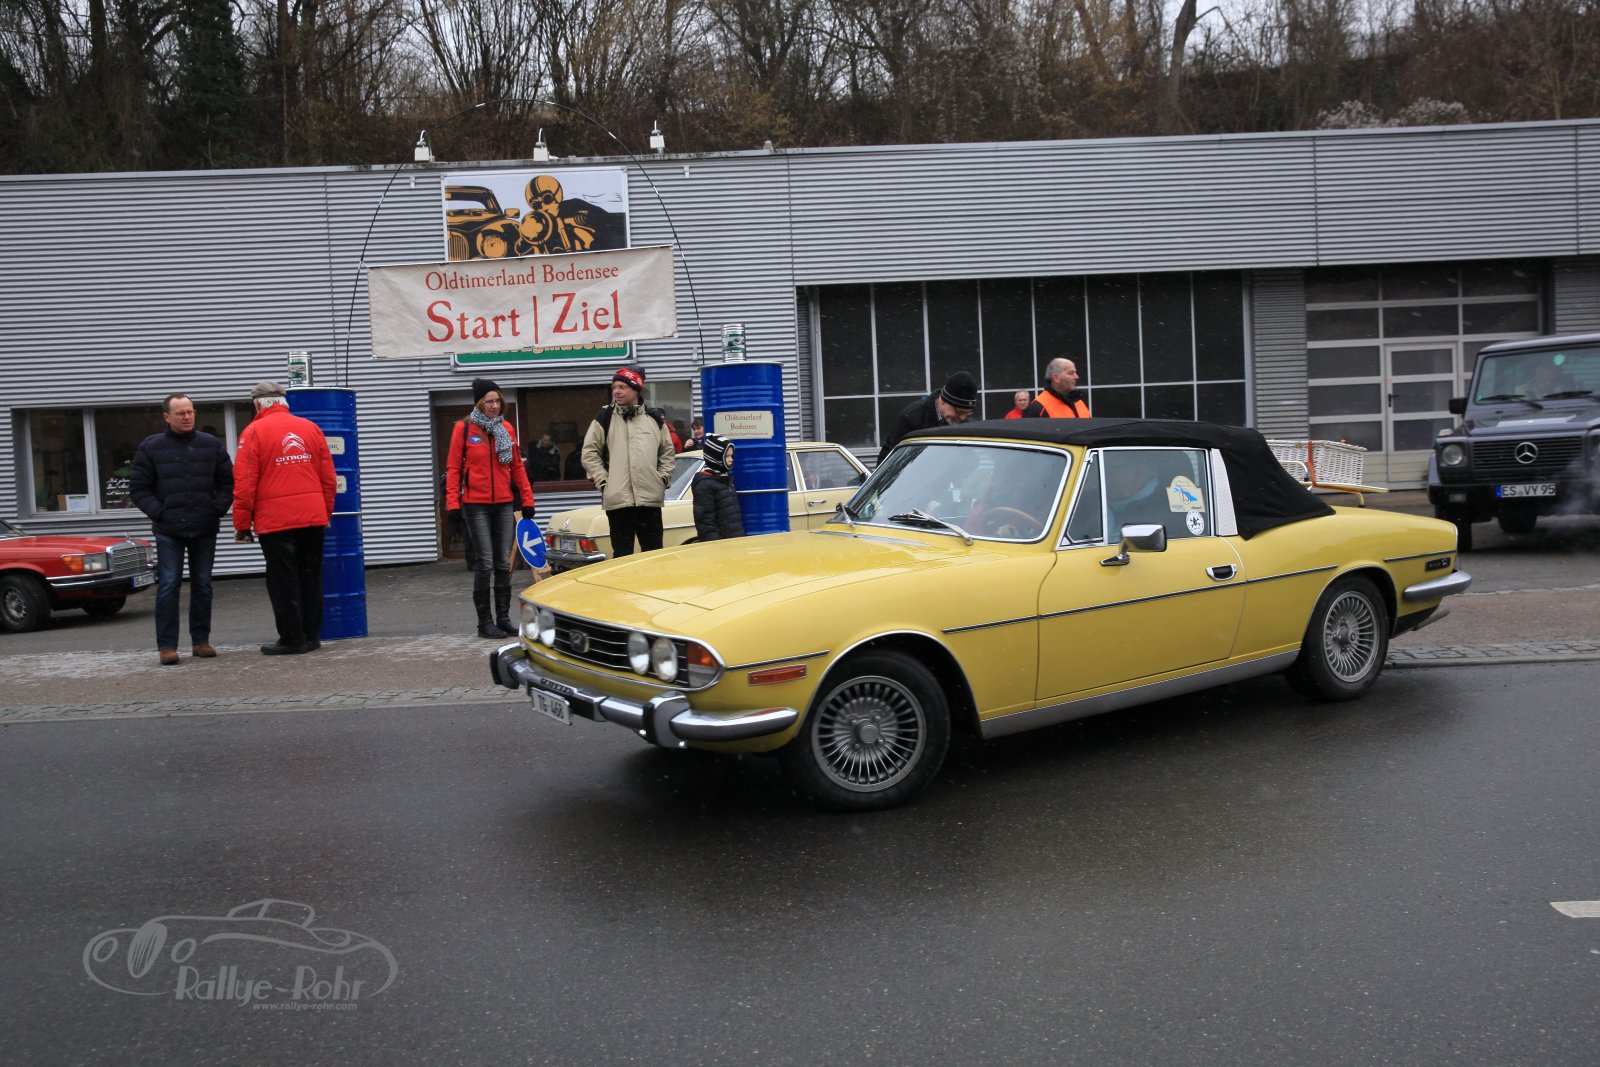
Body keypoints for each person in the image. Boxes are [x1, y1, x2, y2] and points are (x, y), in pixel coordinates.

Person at [128, 393, 234, 666]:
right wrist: (159, 512)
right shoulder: (151, 447)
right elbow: (139, 488)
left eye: (190, 412)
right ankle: (167, 646)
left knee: (203, 585)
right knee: (169, 585)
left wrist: (216, 509)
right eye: (180, 413)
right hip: (168, 529)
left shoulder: (210, 445)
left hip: (204, 526)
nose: (187, 417)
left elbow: (228, 483)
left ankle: (201, 641)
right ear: (167, 417)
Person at [233, 381, 337, 656]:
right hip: (312, 517)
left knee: (283, 581)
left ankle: (292, 639)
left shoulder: (253, 432)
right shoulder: (310, 428)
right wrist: (325, 512)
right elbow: (329, 478)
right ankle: (312, 636)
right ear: (283, 401)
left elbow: (245, 483)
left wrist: (242, 524)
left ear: (258, 404)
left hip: (275, 522)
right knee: (311, 577)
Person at [446, 378, 537, 638]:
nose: (494, 406)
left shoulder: (506, 428)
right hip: (476, 505)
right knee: (485, 563)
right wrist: (452, 503)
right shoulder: (463, 429)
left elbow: (516, 467)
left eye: (497, 401)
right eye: (489, 401)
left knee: (502, 563)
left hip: (503, 504)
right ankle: (484, 623)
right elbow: (453, 468)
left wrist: (527, 499)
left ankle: (503, 619)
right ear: (479, 403)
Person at [581, 365, 676, 558]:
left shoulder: (654, 419)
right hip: (618, 502)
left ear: (636, 389)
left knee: (654, 556)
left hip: (649, 500)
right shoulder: (605, 417)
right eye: (614, 387)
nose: (616, 391)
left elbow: (667, 452)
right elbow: (589, 453)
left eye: (622, 387)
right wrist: (604, 482)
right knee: (622, 557)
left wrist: (662, 479)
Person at [877, 371, 978, 464]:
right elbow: (890, 458)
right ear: (943, 401)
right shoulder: (912, 416)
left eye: (967, 413)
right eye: (958, 412)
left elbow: (969, 459)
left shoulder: (964, 425)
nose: (963, 418)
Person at [692, 434, 744, 541]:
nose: (731, 459)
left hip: (734, 542)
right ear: (715, 457)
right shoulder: (705, 484)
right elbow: (706, 522)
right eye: (727, 456)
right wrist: (715, 545)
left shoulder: (725, 480)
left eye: (732, 456)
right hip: (721, 545)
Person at [1023, 358, 1091, 418]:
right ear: (1056, 378)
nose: (1076, 377)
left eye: (1075, 372)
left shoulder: (1079, 402)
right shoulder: (1038, 408)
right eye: (1071, 373)